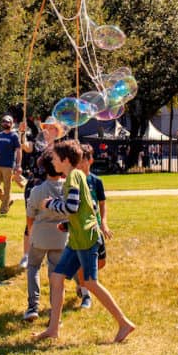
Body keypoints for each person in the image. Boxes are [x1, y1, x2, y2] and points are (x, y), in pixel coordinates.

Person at [33, 140, 135, 344]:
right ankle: (53, 329)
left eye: (54, 158)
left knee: (90, 282)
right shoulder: (77, 176)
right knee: (57, 277)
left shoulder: (73, 177)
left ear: (64, 160)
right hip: (77, 238)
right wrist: (69, 225)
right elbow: (87, 209)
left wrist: (49, 204)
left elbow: (72, 207)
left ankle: (124, 323)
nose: (52, 161)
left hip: (86, 239)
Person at [22, 149, 67, 322]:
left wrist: (31, 233)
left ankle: (33, 307)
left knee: (33, 267)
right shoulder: (67, 188)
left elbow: (30, 216)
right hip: (61, 237)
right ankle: (56, 315)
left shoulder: (37, 190)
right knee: (56, 275)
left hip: (40, 236)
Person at [18, 117, 66, 267]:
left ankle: (54, 253)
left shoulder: (60, 149)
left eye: (52, 128)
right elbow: (25, 146)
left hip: (55, 186)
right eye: (46, 128)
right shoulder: (37, 145)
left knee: (54, 219)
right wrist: (22, 133)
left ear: (57, 132)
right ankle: (26, 255)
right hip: (35, 185)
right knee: (30, 220)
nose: (48, 131)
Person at [74, 143, 113, 309]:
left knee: (101, 262)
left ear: (91, 160)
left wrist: (103, 223)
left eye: (83, 160)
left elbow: (102, 203)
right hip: (81, 228)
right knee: (85, 263)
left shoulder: (96, 181)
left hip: (95, 227)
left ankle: (82, 281)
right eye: (78, 160)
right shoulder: (74, 180)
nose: (80, 163)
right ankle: (86, 293)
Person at [0, 115, 21, 214]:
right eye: (4, 121)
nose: (6, 123)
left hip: (8, 166)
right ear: (2, 123)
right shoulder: (0, 135)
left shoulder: (14, 135)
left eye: (8, 122)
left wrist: (18, 164)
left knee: (7, 188)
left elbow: (19, 150)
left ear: (11, 124)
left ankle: (3, 210)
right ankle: (8, 201)